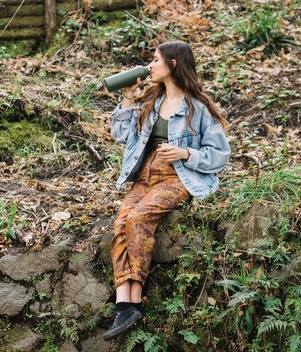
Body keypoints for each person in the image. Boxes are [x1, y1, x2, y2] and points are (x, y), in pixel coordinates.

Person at [103, 40, 231, 341]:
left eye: (156, 60)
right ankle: (126, 304)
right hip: (145, 175)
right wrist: (127, 99)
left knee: (139, 218)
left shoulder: (197, 108)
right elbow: (120, 135)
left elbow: (220, 153)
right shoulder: (151, 101)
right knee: (121, 222)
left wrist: (186, 154)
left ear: (173, 64)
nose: (151, 65)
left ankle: (132, 297)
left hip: (177, 177)